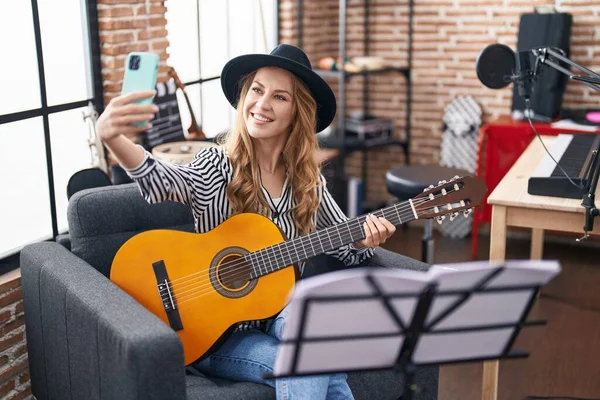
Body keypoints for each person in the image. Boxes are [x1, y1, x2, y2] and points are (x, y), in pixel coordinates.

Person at [96, 44, 397, 400]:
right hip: (214, 331)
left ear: (297, 113)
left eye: (279, 96)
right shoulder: (218, 165)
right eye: (257, 90)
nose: (262, 104)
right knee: (310, 360)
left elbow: (345, 244)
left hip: (281, 313)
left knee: (315, 336)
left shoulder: (307, 182)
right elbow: (163, 181)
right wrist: (111, 136)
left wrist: (364, 240)